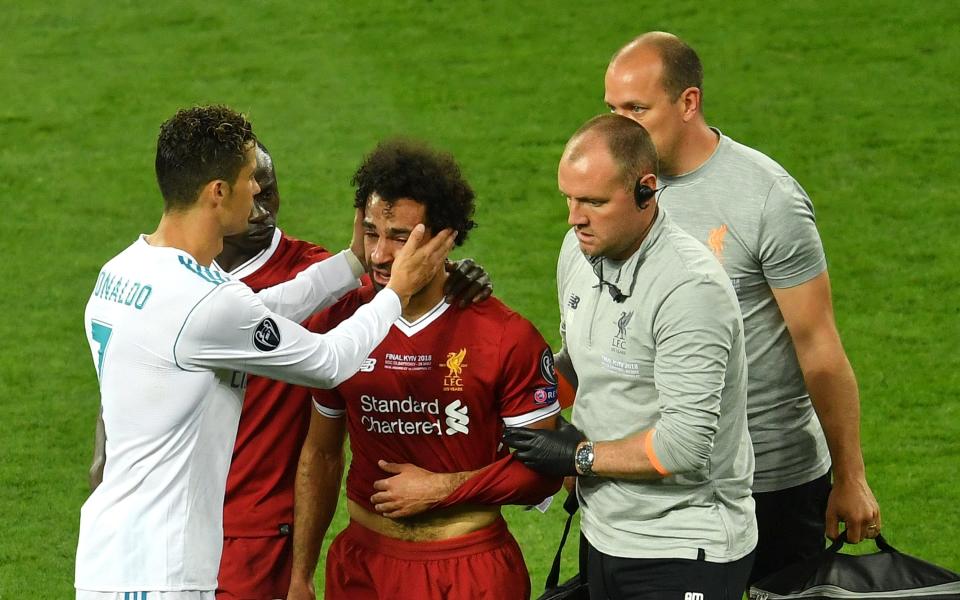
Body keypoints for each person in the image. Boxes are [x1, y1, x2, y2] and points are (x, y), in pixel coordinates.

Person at [86, 140, 493, 600]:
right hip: (159, 564)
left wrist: (367, 262)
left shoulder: (125, 270)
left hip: (118, 545)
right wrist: (397, 292)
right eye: (250, 182)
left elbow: (263, 308)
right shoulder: (206, 299)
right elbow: (328, 361)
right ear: (219, 192)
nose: (260, 193)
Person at [602, 32, 881, 581]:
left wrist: (850, 476)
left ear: (689, 102)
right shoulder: (614, 193)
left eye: (636, 108)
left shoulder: (765, 198)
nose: (619, 127)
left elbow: (818, 346)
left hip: (771, 482)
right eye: (611, 108)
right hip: (657, 478)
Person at [288, 139, 563, 600]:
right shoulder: (343, 325)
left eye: (399, 236)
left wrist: (441, 489)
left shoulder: (504, 337)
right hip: (364, 567)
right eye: (372, 233)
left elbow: (542, 473)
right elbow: (320, 455)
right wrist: (300, 575)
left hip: (468, 569)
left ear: (444, 238)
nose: (378, 255)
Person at [504, 114, 756, 600]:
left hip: (683, 546)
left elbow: (685, 445)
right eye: (570, 199)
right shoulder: (578, 251)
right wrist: (510, 398)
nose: (574, 218)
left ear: (646, 190)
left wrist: (578, 457)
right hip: (603, 532)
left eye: (594, 202)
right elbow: (580, 365)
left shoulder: (689, 289)